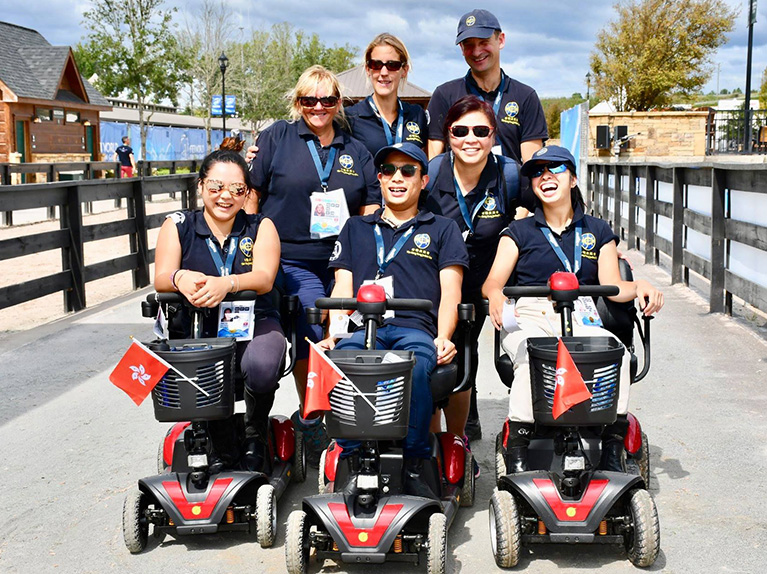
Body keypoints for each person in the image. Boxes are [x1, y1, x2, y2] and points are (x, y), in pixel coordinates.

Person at [482, 145, 664, 474]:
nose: (546, 176)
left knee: (616, 352)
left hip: (582, 310)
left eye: (557, 169)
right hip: (533, 312)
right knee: (531, 352)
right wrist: (495, 296)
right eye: (538, 172)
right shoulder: (518, 232)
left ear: (574, 179)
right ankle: (519, 446)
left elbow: (613, 284)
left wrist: (641, 286)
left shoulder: (597, 230)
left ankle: (612, 444)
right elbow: (494, 281)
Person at [248, 65, 382, 466]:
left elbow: (371, 202)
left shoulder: (354, 149)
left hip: (344, 257)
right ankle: (313, 414)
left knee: (353, 327)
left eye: (327, 99)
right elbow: (253, 193)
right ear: (297, 102)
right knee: (312, 322)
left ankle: (348, 409)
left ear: (339, 103)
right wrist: (254, 244)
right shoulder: (276, 137)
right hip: (293, 257)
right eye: (309, 99)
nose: (318, 107)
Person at [320, 141, 468, 498]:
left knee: (412, 365)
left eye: (407, 171)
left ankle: (416, 461)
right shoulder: (355, 228)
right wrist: (333, 334)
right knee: (340, 362)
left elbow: (451, 291)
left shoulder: (443, 229)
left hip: (414, 329)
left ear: (423, 180)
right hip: (362, 327)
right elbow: (343, 285)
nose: (397, 178)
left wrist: (445, 335)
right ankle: (353, 456)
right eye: (388, 171)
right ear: (380, 179)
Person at [154, 149, 286, 473]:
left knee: (263, 363)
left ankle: (255, 432)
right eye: (215, 187)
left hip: (254, 319)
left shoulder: (261, 226)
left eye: (236, 189)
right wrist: (179, 277)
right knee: (206, 362)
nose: (225, 196)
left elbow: (265, 278)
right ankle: (223, 442)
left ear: (247, 194)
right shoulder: (178, 225)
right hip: (200, 325)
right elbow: (160, 277)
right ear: (200, 187)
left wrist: (227, 283)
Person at [423, 95, 530, 462]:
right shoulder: (432, 174)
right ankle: (434, 433)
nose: (471, 139)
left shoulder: (510, 175)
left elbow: (553, 208)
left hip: (484, 283)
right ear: (448, 134)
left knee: (465, 353)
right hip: (434, 280)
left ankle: (455, 442)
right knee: (434, 352)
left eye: (481, 131)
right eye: (460, 130)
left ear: (493, 135)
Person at [426, 9, 548, 164]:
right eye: (469, 45)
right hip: (459, 188)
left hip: (509, 187)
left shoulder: (525, 96)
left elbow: (532, 165)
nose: (477, 52)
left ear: (501, 40)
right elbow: (434, 162)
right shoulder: (444, 95)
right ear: (462, 49)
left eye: (484, 42)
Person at [344, 33, 428, 158]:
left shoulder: (416, 115)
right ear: (368, 69)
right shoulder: (350, 117)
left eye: (392, 65)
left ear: (404, 70)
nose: (383, 72)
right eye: (376, 65)